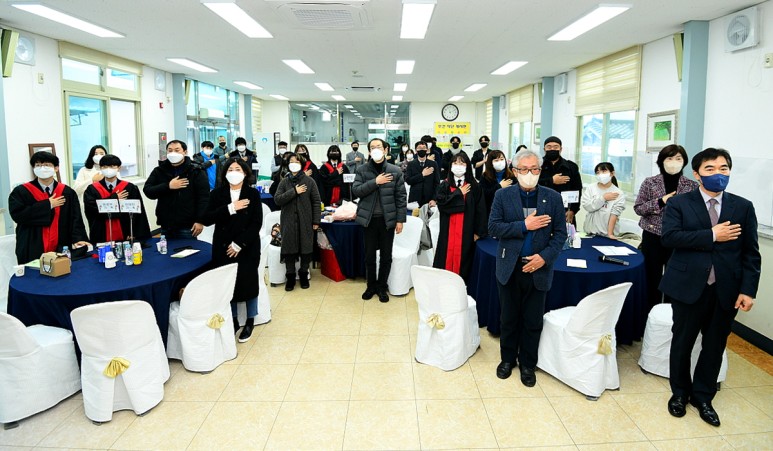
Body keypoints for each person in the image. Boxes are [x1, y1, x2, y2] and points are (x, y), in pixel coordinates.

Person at [660, 148, 760, 427]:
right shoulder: (679, 203)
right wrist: (711, 235)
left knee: (715, 345)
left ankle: (703, 396)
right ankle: (679, 393)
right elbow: (670, 237)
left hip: (726, 289)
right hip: (688, 286)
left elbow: (751, 253)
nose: (718, 174)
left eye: (724, 168)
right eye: (711, 169)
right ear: (697, 174)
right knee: (682, 343)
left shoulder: (743, 206)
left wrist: (748, 290)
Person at [489, 149, 566, 387]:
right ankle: (507, 359)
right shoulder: (503, 195)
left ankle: (528, 364)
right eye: (524, 169)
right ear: (515, 171)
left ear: (540, 170)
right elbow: (494, 227)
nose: (529, 173)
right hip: (510, 266)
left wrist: (544, 258)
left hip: (539, 268)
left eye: (534, 169)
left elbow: (560, 234)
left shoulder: (552, 197)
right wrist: (524, 225)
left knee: (533, 321)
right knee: (509, 318)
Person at [201, 158, 263, 342]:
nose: (234, 172)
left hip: (247, 246)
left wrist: (239, 244)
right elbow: (207, 218)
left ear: (245, 173)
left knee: (248, 281)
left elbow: (256, 223)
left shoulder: (252, 194)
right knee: (228, 283)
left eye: (238, 169)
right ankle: (233, 319)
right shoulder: (217, 194)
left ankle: (250, 319)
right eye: (230, 169)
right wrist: (230, 208)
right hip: (223, 246)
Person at [634, 145, 699, 311]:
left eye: (678, 158)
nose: (673, 162)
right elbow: (639, 208)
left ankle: (670, 316)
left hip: (679, 239)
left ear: (684, 162)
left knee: (674, 279)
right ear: (661, 161)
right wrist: (660, 201)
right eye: (669, 158)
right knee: (651, 278)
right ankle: (649, 314)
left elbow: (696, 213)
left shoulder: (692, 186)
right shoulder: (650, 182)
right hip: (653, 236)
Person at [352, 138, 407, 303]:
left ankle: (382, 287)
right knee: (369, 256)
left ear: (385, 150)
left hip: (387, 220)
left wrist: (400, 220)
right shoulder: (362, 170)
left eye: (379, 146)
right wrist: (375, 182)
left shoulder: (395, 170)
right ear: (369, 152)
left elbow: (401, 197)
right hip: (368, 220)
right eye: (372, 147)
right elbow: (356, 191)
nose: (376, 149)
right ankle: (370, 286)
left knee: (386, 256)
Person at [8, 151, 89, 263]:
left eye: (46, 165)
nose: (42, 168)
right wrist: (48, 205)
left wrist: (79, 239)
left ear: (56, 168)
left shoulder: (67, 192)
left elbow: (76, 219)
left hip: (61, 245)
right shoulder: (21, 191)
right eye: (38, 165)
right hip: (32, 245)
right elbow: (18, 215)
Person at [433, 153, 487, 280]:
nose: (458, 166)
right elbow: (442, 205)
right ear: (450, 166)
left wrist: (478, 232)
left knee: (465, 262)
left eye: (462, 163)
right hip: (448, 231)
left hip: (466, 232)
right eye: (455, 163)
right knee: (445, 259)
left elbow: (481, 210)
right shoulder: (444, 185)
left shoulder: (474, 186)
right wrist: (458, 193)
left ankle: (463, 286)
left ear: (467, 166)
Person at [274, 153, 321, 291]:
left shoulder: (310, 181)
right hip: (288, 221)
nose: (294, 164)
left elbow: (316, 202)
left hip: (306, 220)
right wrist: (294, 191)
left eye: (297, 161)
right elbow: (277, 200)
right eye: (291, 161)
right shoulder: (284, 182)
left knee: (306, 247)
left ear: (301, 164)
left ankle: (303, 273)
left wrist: (316, 220)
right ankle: (290, 276)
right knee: (289, 248)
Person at [143, 140, 209, 239]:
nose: (173, 153)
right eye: (170, 150)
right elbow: (148, 191)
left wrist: (200, 220)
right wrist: (168, 186)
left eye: (177, 150)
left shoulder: (196, 171)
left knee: (187, 248)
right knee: (166, 249)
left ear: (185, 152)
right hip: (166, 223)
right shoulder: (159, 170)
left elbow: (204, 198)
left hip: (187, 225)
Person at [83, 154, 151, 244]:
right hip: (101, 233)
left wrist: (134, 232)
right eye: (105, 166)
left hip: (126, 233)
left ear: (119, 168)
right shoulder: (92, 189)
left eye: (112, 166)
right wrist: (114, 198)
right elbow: (91, 210)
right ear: (100, 168)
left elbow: (137, 213)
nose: (108, 169)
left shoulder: (129, 188)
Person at [537, 136, 582, 225]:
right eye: (549, 147)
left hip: (565, 210)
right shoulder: (537, 165)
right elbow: (531, 184)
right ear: (544, 149)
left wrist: (573, 210)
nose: (552, 149)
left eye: (555, 147)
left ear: (561, 149)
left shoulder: (571, 167)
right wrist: (551, 181)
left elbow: (577, 189)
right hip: (541, 209)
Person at [580, 162, 625, 238]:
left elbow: (614, 215)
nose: (600, 174)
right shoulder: (591, 188)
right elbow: (587, 206)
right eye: (598, 172)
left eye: (604, 171)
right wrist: (603, 198)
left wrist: (610, 234)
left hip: (607, 234)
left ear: (612, 173)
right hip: (590, 232)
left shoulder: (618, 193)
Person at [73, 144, 108, 232]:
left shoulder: (110, 170)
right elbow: (76, 189)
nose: (99, 156)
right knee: (90, 229)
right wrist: (92, 180)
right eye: (96, 154)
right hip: (88, 205)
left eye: (101, 153)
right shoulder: (84, 170)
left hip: (106, 204)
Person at [480, 149, 517, 216]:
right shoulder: (485, 177)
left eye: (502, 159)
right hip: (491, 211)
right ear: (491, 162)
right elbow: (484, 194)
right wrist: (499, 186)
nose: (500, 162)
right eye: (496, 160)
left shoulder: (512, 176)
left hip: (509, 211)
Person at [405, 141, 440, 207]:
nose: (422, 150)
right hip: (414, 199)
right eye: (419, 148)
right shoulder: (411, 164)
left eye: (424, 148)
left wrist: (434, 199)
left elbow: (437, 183)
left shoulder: (433, 164)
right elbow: (408, 180)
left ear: (427, 150)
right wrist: (422, 175)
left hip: (430, 199)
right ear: (416, 150)